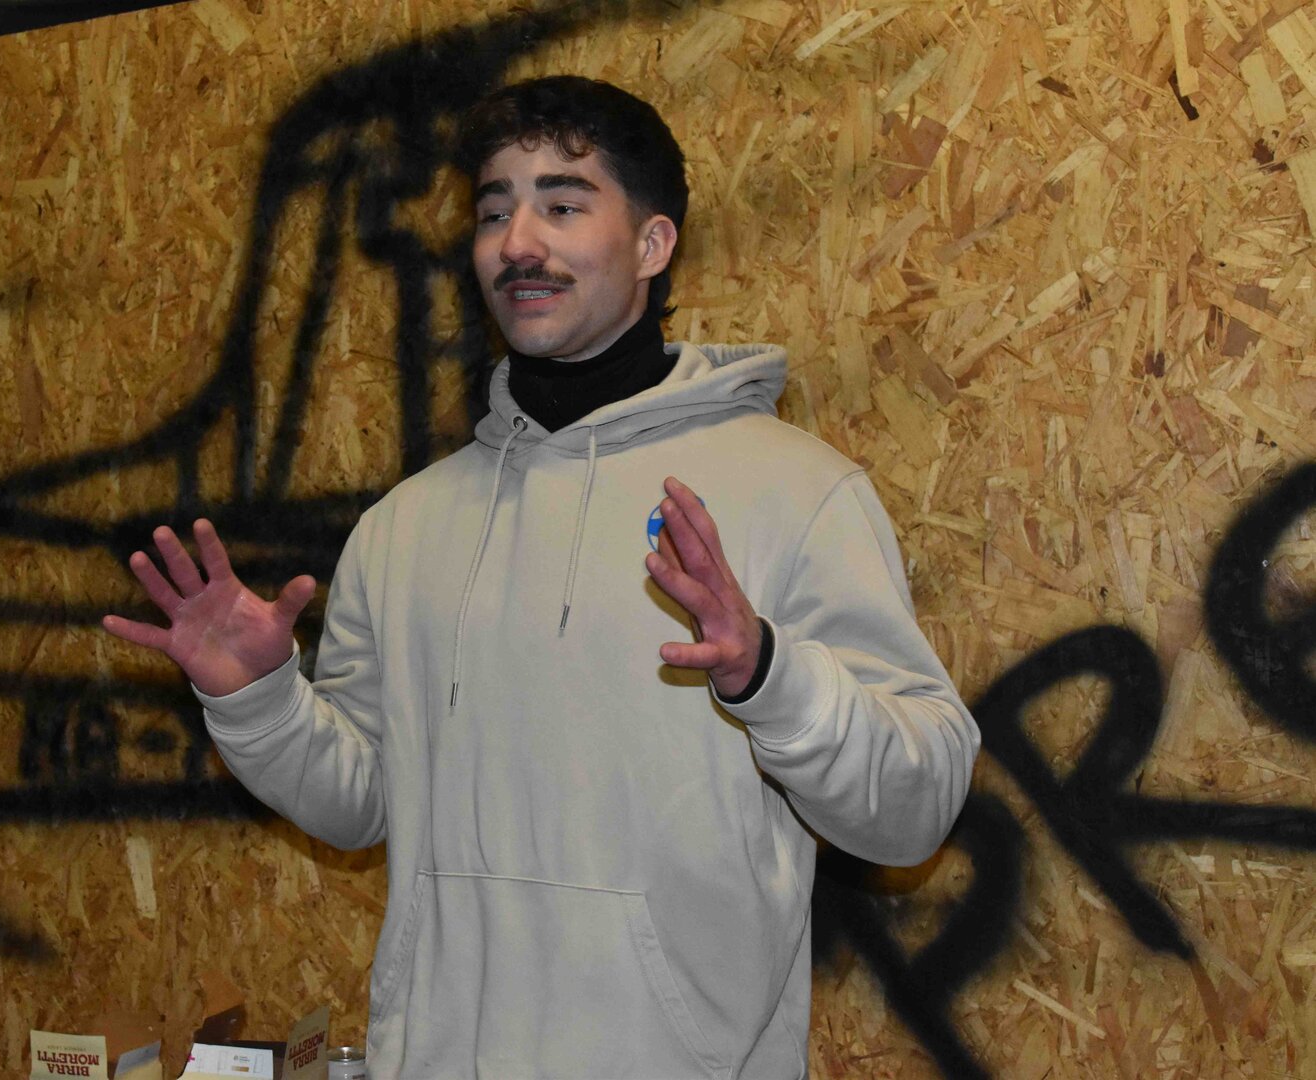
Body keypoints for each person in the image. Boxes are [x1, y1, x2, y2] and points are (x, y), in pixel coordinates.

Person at [104, 76, 979, 1079]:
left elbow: (914, 811)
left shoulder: (796, 493)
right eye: (494, 212)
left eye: (562, 206)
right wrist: (260, 703)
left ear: (651, 244)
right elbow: (364, 804)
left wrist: (770, 674)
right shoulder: (406, 526)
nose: (517, 243)